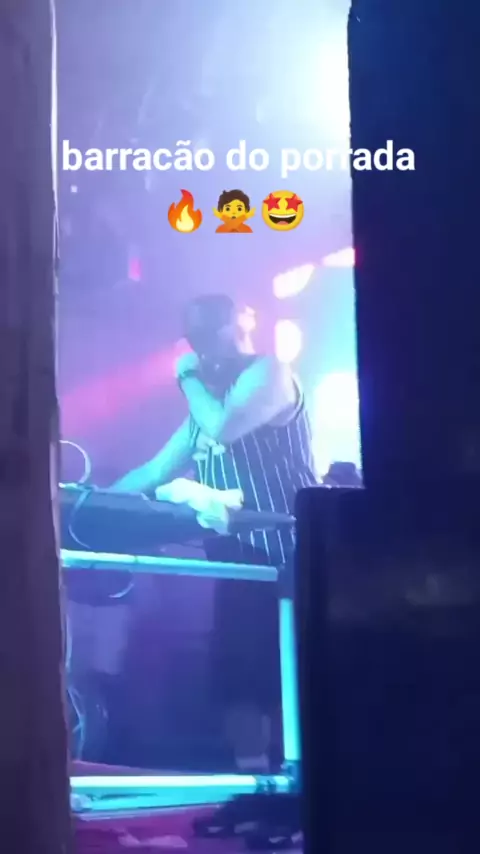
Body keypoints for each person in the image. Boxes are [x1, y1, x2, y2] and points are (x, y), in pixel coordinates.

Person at [113, 293, 318, 769]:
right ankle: (256, 785)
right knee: (239, 684)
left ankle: (310, 787)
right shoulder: (204, 412)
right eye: (195, 340)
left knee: (294, 677)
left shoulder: (269, 372)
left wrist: (185, 377)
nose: (202, 350)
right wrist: (85, 500)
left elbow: (224, 428)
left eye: (209, 336)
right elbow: (153, 473)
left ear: (238, 327)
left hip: (289, 558)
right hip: (237, 565)